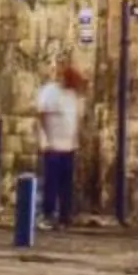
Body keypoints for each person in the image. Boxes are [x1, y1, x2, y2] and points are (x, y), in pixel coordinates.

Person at [33, 60, 86, 228]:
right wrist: (45, 139)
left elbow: (74, 118)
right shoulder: (50, 92)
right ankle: (47, 215)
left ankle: (65, 216)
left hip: (69, 146)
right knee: (51, 182)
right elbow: (41, 115)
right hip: (53, 146)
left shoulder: (72, 95)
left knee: (66, 184)